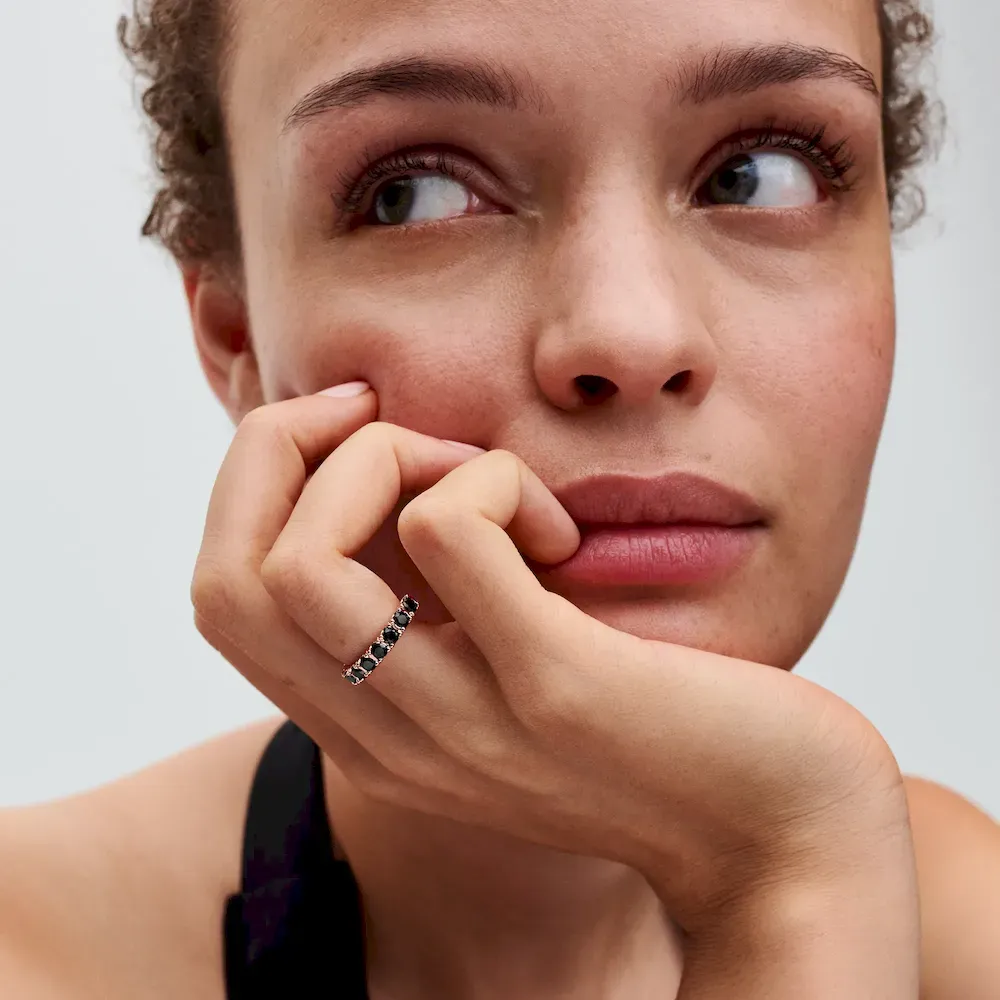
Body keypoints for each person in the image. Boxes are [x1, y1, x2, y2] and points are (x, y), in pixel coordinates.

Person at [2, 0, 999, 996]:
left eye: (757, 173)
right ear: (236, 338)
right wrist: (781, 886)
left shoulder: (954, 920)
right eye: (418, 193)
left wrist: (796, 869)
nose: (630, 337)